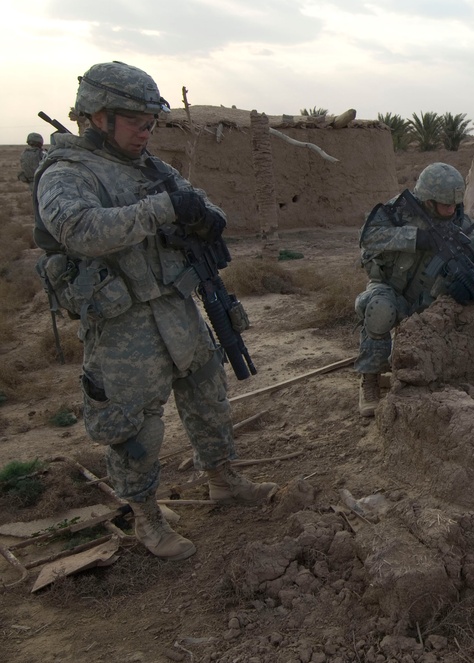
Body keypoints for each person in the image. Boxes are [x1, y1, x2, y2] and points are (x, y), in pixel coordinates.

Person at [32, 61, 276, 562]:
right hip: (122, 325)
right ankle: (146, 516)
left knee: (208, 394)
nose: (146, 132)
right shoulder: (66, 173)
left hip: (176, 306)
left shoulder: (154, 169)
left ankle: (223, 479)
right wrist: (163, 210)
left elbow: (205, 207)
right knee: (135, 428)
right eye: (135, 122)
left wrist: (204, 217)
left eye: (151, 123)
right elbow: (80, 230)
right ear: (97, 117)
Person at [354, 162, 474, 417]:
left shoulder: (460, 223)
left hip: (427, 300)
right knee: (380, 310)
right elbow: (368, 237)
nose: (451, 210)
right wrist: (416, 238)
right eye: (445, 204)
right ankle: (370, 379)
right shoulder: (399, 210)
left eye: (454, 204)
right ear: (428, 200)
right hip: (389, 289)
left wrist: (465, 288)